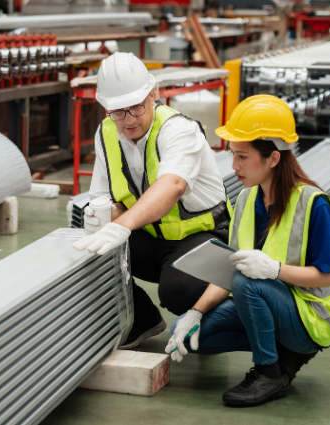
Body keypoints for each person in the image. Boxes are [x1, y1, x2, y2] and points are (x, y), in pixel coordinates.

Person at [164, 94, 330, 407]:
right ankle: (283, 354)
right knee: (192, 335)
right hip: (272, 306)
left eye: (242, 156)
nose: (233, 165)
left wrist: (274, 270)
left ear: (273, 158)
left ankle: (269, 373)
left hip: (313, 318)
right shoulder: (246, 200)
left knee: (248, 281)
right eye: (232, 154)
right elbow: (230, 269)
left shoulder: (314, 205)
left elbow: (327, 276)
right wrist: (195, 312)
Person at [72, 52, 229, 349]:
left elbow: (172, 186)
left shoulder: (179, 130)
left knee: (179, 291)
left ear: (153, 94)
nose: (129, 119)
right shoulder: (107, 133)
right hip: (150, 237)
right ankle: (142, 318)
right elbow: (105, 197)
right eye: (118, 111)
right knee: (90, 247)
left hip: (203, 237)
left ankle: (216, 320)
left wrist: (122, 225)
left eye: (136, 107)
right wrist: (102, 216)